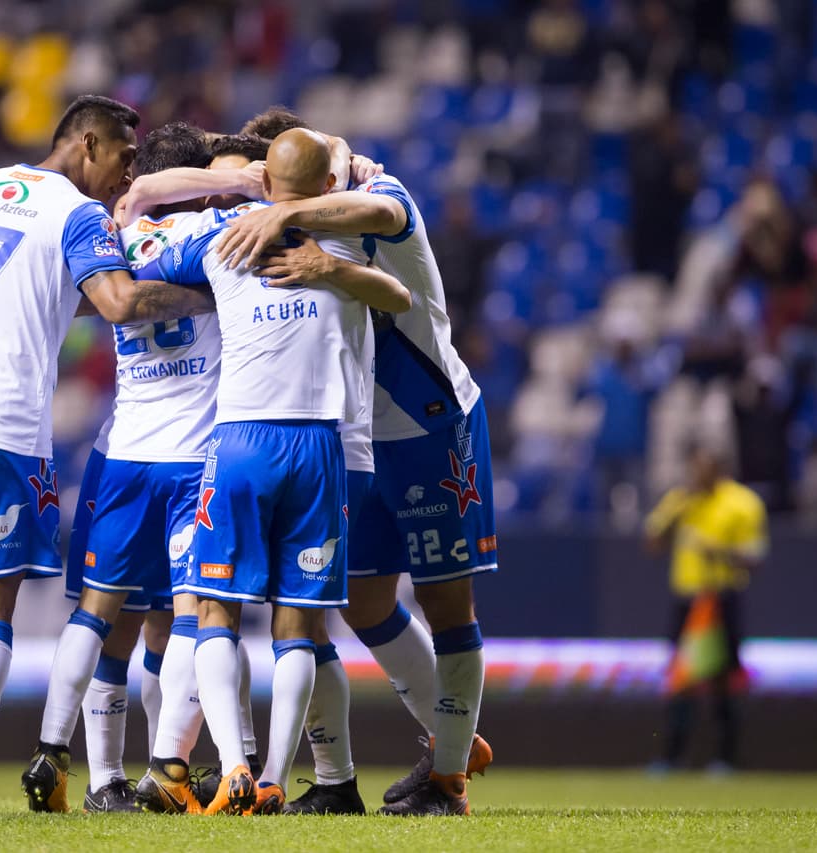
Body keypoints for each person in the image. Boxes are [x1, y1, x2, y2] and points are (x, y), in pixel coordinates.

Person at [0, 95, 214, 815]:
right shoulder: (79, 215)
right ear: (89, 143)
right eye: (124, 157)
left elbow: (34, 284)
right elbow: (119, 302)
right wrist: (213, 297)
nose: (127, 175)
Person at [215, 143, 497, 816]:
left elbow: (381, 214)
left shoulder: (380, 194)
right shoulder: (286, 234)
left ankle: (448, 779)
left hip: (434, 427)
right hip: (357, 438)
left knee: (445, 600)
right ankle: (443, 740)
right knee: (363, 602)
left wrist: (298, 220)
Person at [142, 128, 410, 815]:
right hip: (321, 445)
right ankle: (273, 779)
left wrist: (224, 192)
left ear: (264, 178)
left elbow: (137, 228)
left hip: (240, 440)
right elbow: (399, 296)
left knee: (213, 609)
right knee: (301, 625)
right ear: (326, 187)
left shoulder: (219, 234)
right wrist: (328, 263)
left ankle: (233, 764)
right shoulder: (344, 237)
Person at [25, 121, 219, 814]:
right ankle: (166, 768)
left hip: (123, 455)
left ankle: (63, 754)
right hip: (193, 460)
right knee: (186, 616)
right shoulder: (217, 235)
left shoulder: (116, 236)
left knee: (100, 614)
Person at [644, 442, 767, 772]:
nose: (697, 475)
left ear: (719, 469)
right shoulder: (680, 500)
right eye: (694, 468)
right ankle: (672, 756)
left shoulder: (742, 502)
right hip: (688, 599)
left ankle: (726, 757)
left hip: (722, 597)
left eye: (704, 468)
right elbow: (653, 543)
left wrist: (720, 552)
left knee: (724, 679)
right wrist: (676, 515)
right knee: (680, 678)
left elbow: (755, 557)